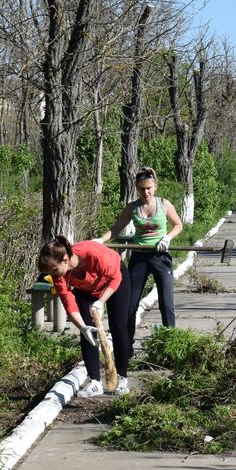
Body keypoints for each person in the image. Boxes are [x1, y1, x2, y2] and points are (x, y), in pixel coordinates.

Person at [94, 167, 183, 347]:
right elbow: (116, 228)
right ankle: (127, 345)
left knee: (166, 302)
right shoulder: (132, 207)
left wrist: (167, 238)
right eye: (142, 188)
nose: (146, 192)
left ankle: (170, 343)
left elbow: (178, 225)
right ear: (137, 188)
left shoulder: (164, 204)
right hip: (139, 258)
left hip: (160, 256)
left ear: (155, 187)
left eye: (149, 188)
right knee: (131, 303)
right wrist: (100, 240)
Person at [38, 236, 133, 397]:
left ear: (65, 260)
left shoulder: (93, 253)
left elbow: (115, 278)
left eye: (53, 270)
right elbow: (69, 303)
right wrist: (82, 327)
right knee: (87, 332)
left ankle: (122, 378)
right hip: (86, 289)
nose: (52, 274)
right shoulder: (59, 275)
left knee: (118, 327)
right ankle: (95, 381)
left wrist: (101, 301)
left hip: (114, 282)